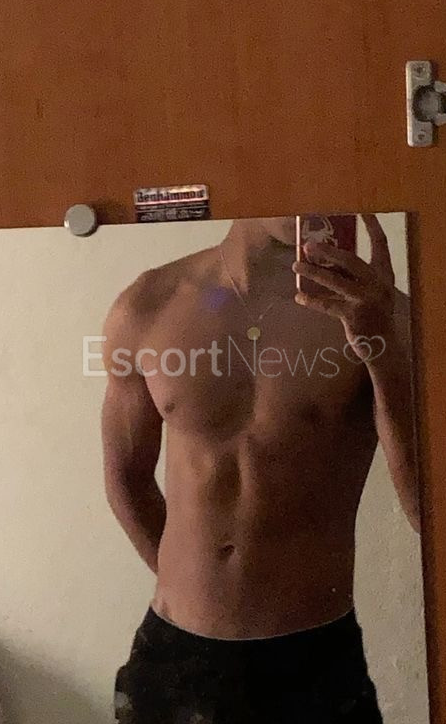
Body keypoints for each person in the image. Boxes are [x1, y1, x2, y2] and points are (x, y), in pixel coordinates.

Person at [101, 215, 417, 723]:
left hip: (311, 660)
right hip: (173, 654)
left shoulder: (384, 317)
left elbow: (428, 514)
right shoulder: (149, 305)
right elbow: (127, 480)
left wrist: (381, 352)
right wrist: (197, 592)